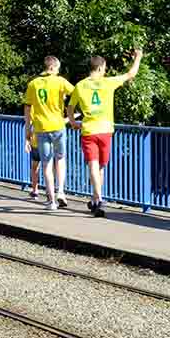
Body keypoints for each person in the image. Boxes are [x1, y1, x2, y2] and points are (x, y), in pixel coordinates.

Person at [70, 47, 143, 217]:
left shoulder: (80, 86)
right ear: (101, 67)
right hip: (106, 131)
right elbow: (131, 74)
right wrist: (138, 57)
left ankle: (97, 199)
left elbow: (71, 107)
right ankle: (97, 199)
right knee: (101, 167)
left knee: (93, 166)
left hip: (88, 130)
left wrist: (74, 122)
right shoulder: (108, 82)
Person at [23, 55, 74, 210]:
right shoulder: (60, 81)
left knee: (46, 164)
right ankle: (61, 192)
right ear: (52, 67)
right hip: (58, 126)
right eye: (57, 69)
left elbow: (27, 109)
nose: (58, 72)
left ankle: (51, 201)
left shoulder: (33, 84)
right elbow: (77, 94)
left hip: (41, 129)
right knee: (60, 159)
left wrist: (27, 133)